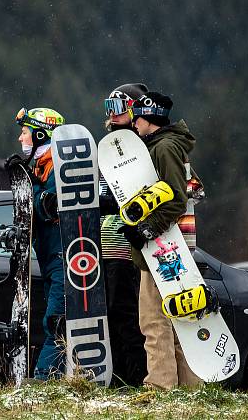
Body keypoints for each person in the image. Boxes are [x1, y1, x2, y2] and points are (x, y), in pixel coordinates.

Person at [117, 91, 202, 390]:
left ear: (147, 118)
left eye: (136, 117)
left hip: (164, 248)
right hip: (169, 245)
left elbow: (176, 199)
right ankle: (189, 386)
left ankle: (160, 385)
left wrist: (145, 231)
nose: (134, 124)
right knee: (177, 320)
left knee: (153, 320)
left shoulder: (164, 148)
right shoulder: (164, 145)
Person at [5, 107, 66, 380]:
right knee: (52, 321)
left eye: (25, 132)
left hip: (64, 256)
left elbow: (48, 207)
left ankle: (44, 382)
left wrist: (31, 185)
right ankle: (55, 379)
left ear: (41, 134)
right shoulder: (42, 165)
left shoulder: (62, 164)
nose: (21, 138)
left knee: (57, 323)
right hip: (50, 258)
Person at [100, 83, 149, 386]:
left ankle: (133, 379)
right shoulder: (110, 147)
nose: (111, 116)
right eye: (108, 108)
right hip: (105, 246)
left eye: (117, 108)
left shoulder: (136, 147)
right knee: (112, 319)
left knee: (128, 319)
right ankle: (118, 379)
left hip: (125, 247)